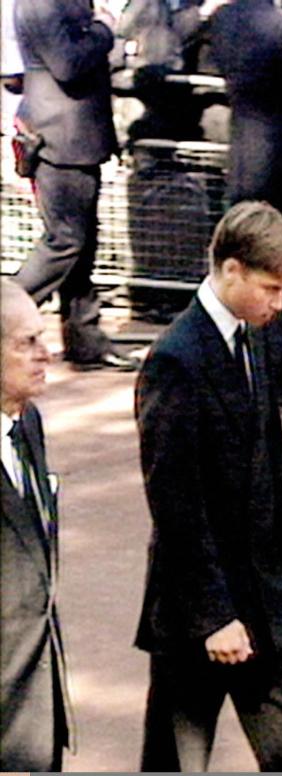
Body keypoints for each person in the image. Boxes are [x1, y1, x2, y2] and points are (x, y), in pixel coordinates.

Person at [134, 201, 282, 772]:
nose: (279, 303)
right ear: (231, 269)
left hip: (264, 595)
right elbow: (175, 505)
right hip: (197, 606)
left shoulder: (258, 340)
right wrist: (214, 616)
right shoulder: (175, 360)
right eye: (271, 288)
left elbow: (272, 465)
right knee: (174, 761)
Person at [12, 0, 139, 371]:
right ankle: (8, 309)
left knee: (82, 247)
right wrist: (103, 28)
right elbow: (67, 64)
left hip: (77, 138)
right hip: (61, 140)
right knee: (65, 241)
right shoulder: (43, 3)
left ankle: (85, 340)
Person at [210, 0, 282, 410]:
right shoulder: (279, 23)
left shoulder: (222, 20)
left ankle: (251, 364)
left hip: (242, 159)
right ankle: (272, 370)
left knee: (247, 267)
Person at [1, 279, 74, 772]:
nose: (44, 354)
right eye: (25, 343)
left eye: (42, 337)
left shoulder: (29, 422)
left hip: (36, 699)